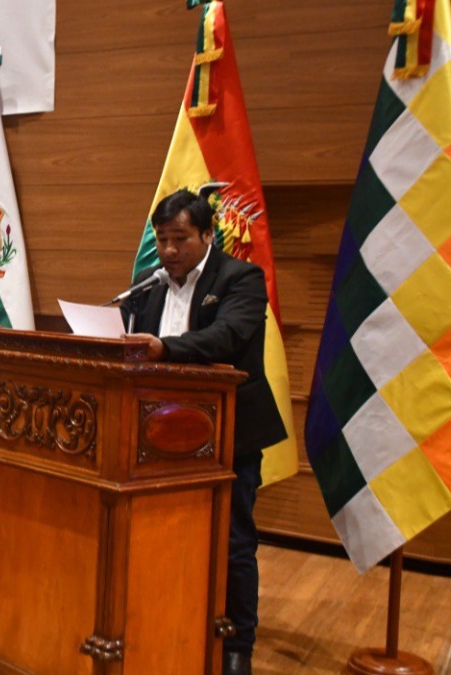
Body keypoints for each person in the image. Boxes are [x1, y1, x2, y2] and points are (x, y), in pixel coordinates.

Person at [124, 188, 286, 675]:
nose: (170, 250)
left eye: (180, 238)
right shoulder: (147, 285)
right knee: (162, 535)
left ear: (207, 234)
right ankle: (166, 620)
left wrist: (163, 349)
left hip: (228, 432)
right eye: (162, 239)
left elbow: (227, 337)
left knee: (234, 540)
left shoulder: (242, 277)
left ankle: (238, 644)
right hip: (157, 436)